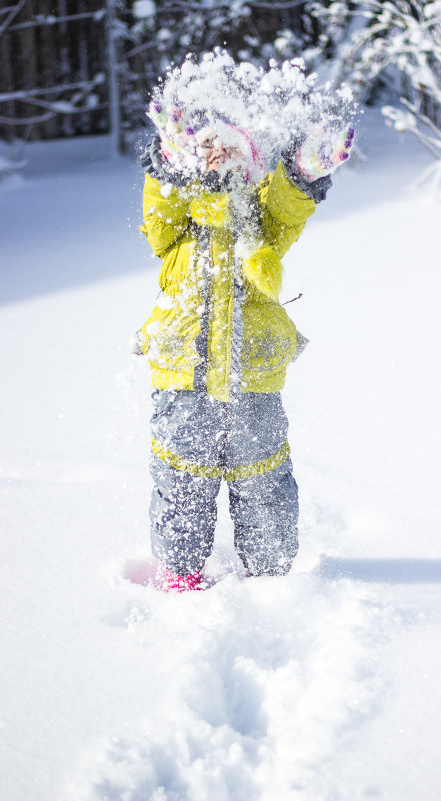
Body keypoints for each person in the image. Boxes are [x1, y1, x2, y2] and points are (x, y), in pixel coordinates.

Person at [136, 99, 354, 592]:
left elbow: (286, 204)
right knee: (181, 486)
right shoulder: (177, 229)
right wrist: (168, 161)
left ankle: (271, 576)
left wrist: (303, 171)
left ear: (250, 159)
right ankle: (180, 573)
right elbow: (160, 204)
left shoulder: (261, 225)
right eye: (206, 146)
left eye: (230, 147)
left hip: (253, 382)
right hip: (182, 383)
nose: (218, 157)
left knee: (265, 482)